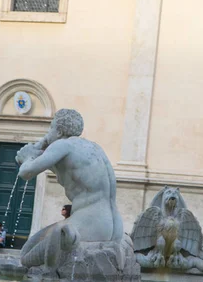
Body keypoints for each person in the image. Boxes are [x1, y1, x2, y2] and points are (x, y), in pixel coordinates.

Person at [15, 109, 123, 269]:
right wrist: (37, 150)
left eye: (50, 128)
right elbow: (62, 170)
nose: (47, 133)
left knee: (26, 257)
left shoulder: (62, 145)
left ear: (58, 131)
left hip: (91, 223)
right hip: (114, 226)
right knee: (33, 244)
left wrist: (27, 156)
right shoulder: (92, 148)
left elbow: (25, 172)